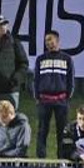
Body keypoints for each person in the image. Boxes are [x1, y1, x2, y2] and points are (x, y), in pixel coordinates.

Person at [33, 31, 74, 159]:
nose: (48, 43)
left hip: (61, 101)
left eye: (50, 40)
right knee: (42, 131)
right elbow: (36, 78)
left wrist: (67, 96)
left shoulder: (66, 59)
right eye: (46, 41)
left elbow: (70, 79)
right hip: (44, 101)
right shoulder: (41, 59)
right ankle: (41, 158)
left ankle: (61, 158)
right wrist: (37, 96)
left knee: (62, 131)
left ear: (57, 41)